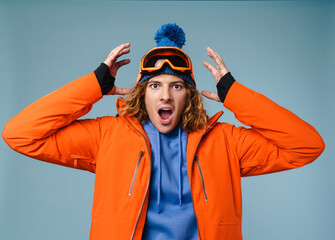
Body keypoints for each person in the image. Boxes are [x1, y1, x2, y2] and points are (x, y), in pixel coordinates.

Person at [2, 24, 325, 240]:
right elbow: (20, 134)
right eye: (154, 85)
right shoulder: (108, 136)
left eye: (177, 86)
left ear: (190, 95)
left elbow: (307, 146)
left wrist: (235, 93)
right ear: (142, 94)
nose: (165, 96)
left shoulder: (226, 141)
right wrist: (93, 86)